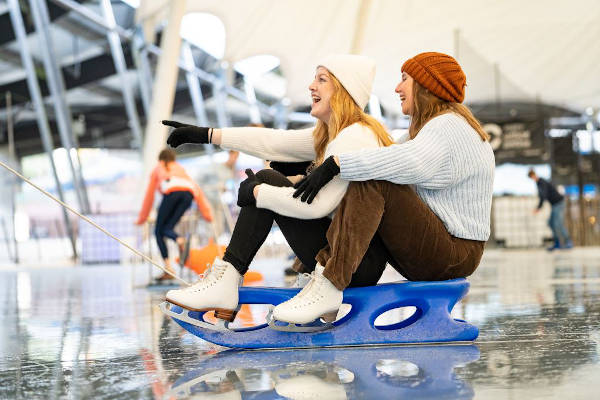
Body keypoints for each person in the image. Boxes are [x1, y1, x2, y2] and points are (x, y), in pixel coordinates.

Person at [162, 54, 395, 324]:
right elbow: (273, 140)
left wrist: (258, 193)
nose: (311, 86)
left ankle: (226, 281)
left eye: (322, 80)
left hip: (355, 263)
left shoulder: (356, 135)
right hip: (348, 257)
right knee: (266, 177)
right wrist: (206, 134)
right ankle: (226, 280)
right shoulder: (336, 134)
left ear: (343, 91)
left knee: (266, 181)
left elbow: (317, 206)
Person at [280, 52, 495, 324]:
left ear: (426, 85)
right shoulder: (430, 130)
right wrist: (309, 169)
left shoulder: (449, 125)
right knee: (364, 176)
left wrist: (336, 164)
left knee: (373, 180)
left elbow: (407, 162)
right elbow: (385, 153)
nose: (397, 88)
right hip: (442, 248)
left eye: (405, 79)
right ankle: (315, 275)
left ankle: (330, 285)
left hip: (454, 252)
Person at [136, 149, 213, 281]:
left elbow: (149, 196)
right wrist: (207, 214)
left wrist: (142, 218)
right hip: (188, 196)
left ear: (160, 159)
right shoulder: (180, 168)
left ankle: (169, 266)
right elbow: (197, 190)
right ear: (173, 159)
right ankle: (178, 240)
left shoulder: (157, 169)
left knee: (158, 231)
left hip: (172, 194)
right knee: (167, 228)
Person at [528, 169, 572, 250]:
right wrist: (539, 207)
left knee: (558, 224)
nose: (533, 178)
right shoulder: (539, 183)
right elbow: (543, 196)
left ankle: (568, 242)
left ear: (534, 175)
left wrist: (538, 207)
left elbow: (543, 195)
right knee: (550, 223)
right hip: (554, 205)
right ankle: (557, 243)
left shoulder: (541, 182)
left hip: (558, 203)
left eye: (532, 176)